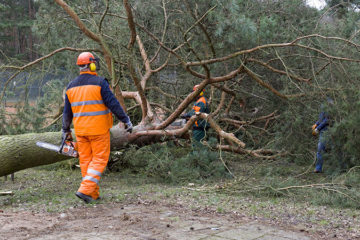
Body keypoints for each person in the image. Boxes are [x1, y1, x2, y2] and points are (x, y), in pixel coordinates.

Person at [62, 52, 133, 203]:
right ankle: (85, 189)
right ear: (92, 64)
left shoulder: (70, 86)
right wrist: (125, 119)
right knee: (100, 159)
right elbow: (113, 104)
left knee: (86, 162)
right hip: (98, 130)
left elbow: (67, 112)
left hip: (81, 131)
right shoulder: (100, 83)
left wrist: (65, 130)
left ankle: (92, 194)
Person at [312, 97, 333, 173]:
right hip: (323, 131)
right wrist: (316, 124)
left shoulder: (330, 105)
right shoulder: (323, 105)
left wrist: (317, 129)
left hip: (328, 131)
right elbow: (321, 118)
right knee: (320, 150)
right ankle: (318, 168)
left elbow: (327, 120)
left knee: (333, 149)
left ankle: (339, 168)